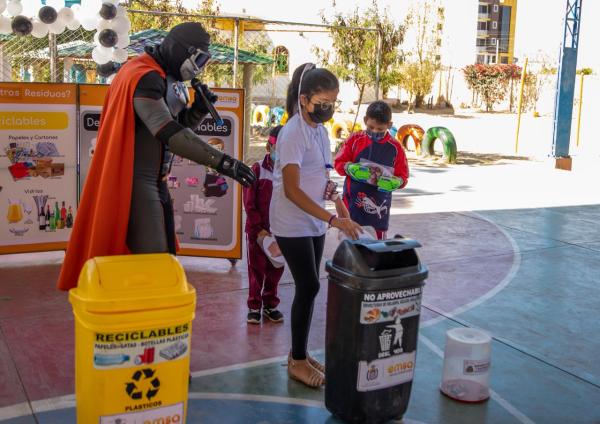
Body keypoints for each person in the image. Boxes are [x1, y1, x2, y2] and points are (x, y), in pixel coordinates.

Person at [57, 22, 255, 290]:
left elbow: (174, 127)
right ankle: (140, 323)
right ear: (180, 49)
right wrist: (223, 162)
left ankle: (151, 323)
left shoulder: (163, 76)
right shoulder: (145, 75)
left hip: (155, 180)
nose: (199, 66)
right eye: (198, 57)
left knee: (163, 257)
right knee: (155, 263)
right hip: (136, 182)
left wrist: (196, 111)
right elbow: (166, 131)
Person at [270, 63, 362, 388]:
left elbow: (319, 174)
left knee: (309, 289)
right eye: (322, 103)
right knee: (308, 286)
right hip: (291, 222)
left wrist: (335, 199)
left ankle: (301, 354)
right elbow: (292, 189)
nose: (327, 109)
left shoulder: (320, 132)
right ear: (305, 99)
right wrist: (334, 219)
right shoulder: (292, 132)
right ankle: (296, 360)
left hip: (315, 221)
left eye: (332, 103)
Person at [334, 101, 409, 240]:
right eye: (371, 127)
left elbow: (403, 176)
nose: (374, 132)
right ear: (365, 121)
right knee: (349, 244)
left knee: (375, 247)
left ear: (389, 125)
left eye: (380, 129)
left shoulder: (395, 148)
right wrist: (349, 167)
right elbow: (338, 162)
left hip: (379, 208)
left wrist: (397, 182)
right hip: (351, 204)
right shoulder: (355, 140)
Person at [243, 125, 285, 325]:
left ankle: (270, 304)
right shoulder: (257, 169)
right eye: (277, 146)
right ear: (269, 147)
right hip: (257, 233)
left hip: (281, 232)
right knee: (256, 269)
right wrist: (259, 229)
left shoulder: (291, 173)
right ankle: (254, 307)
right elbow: (249, 203)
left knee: (275, 269)